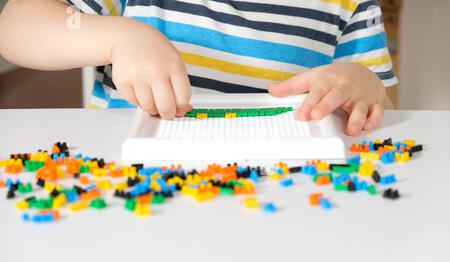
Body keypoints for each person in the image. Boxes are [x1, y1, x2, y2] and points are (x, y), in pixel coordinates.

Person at [0, 0, 397, 135]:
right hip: (132, 190)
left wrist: (364, 85)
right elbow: (16, 26)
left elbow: (382, 109)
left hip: (290, 194)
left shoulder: (350, 4)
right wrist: (117, 37)